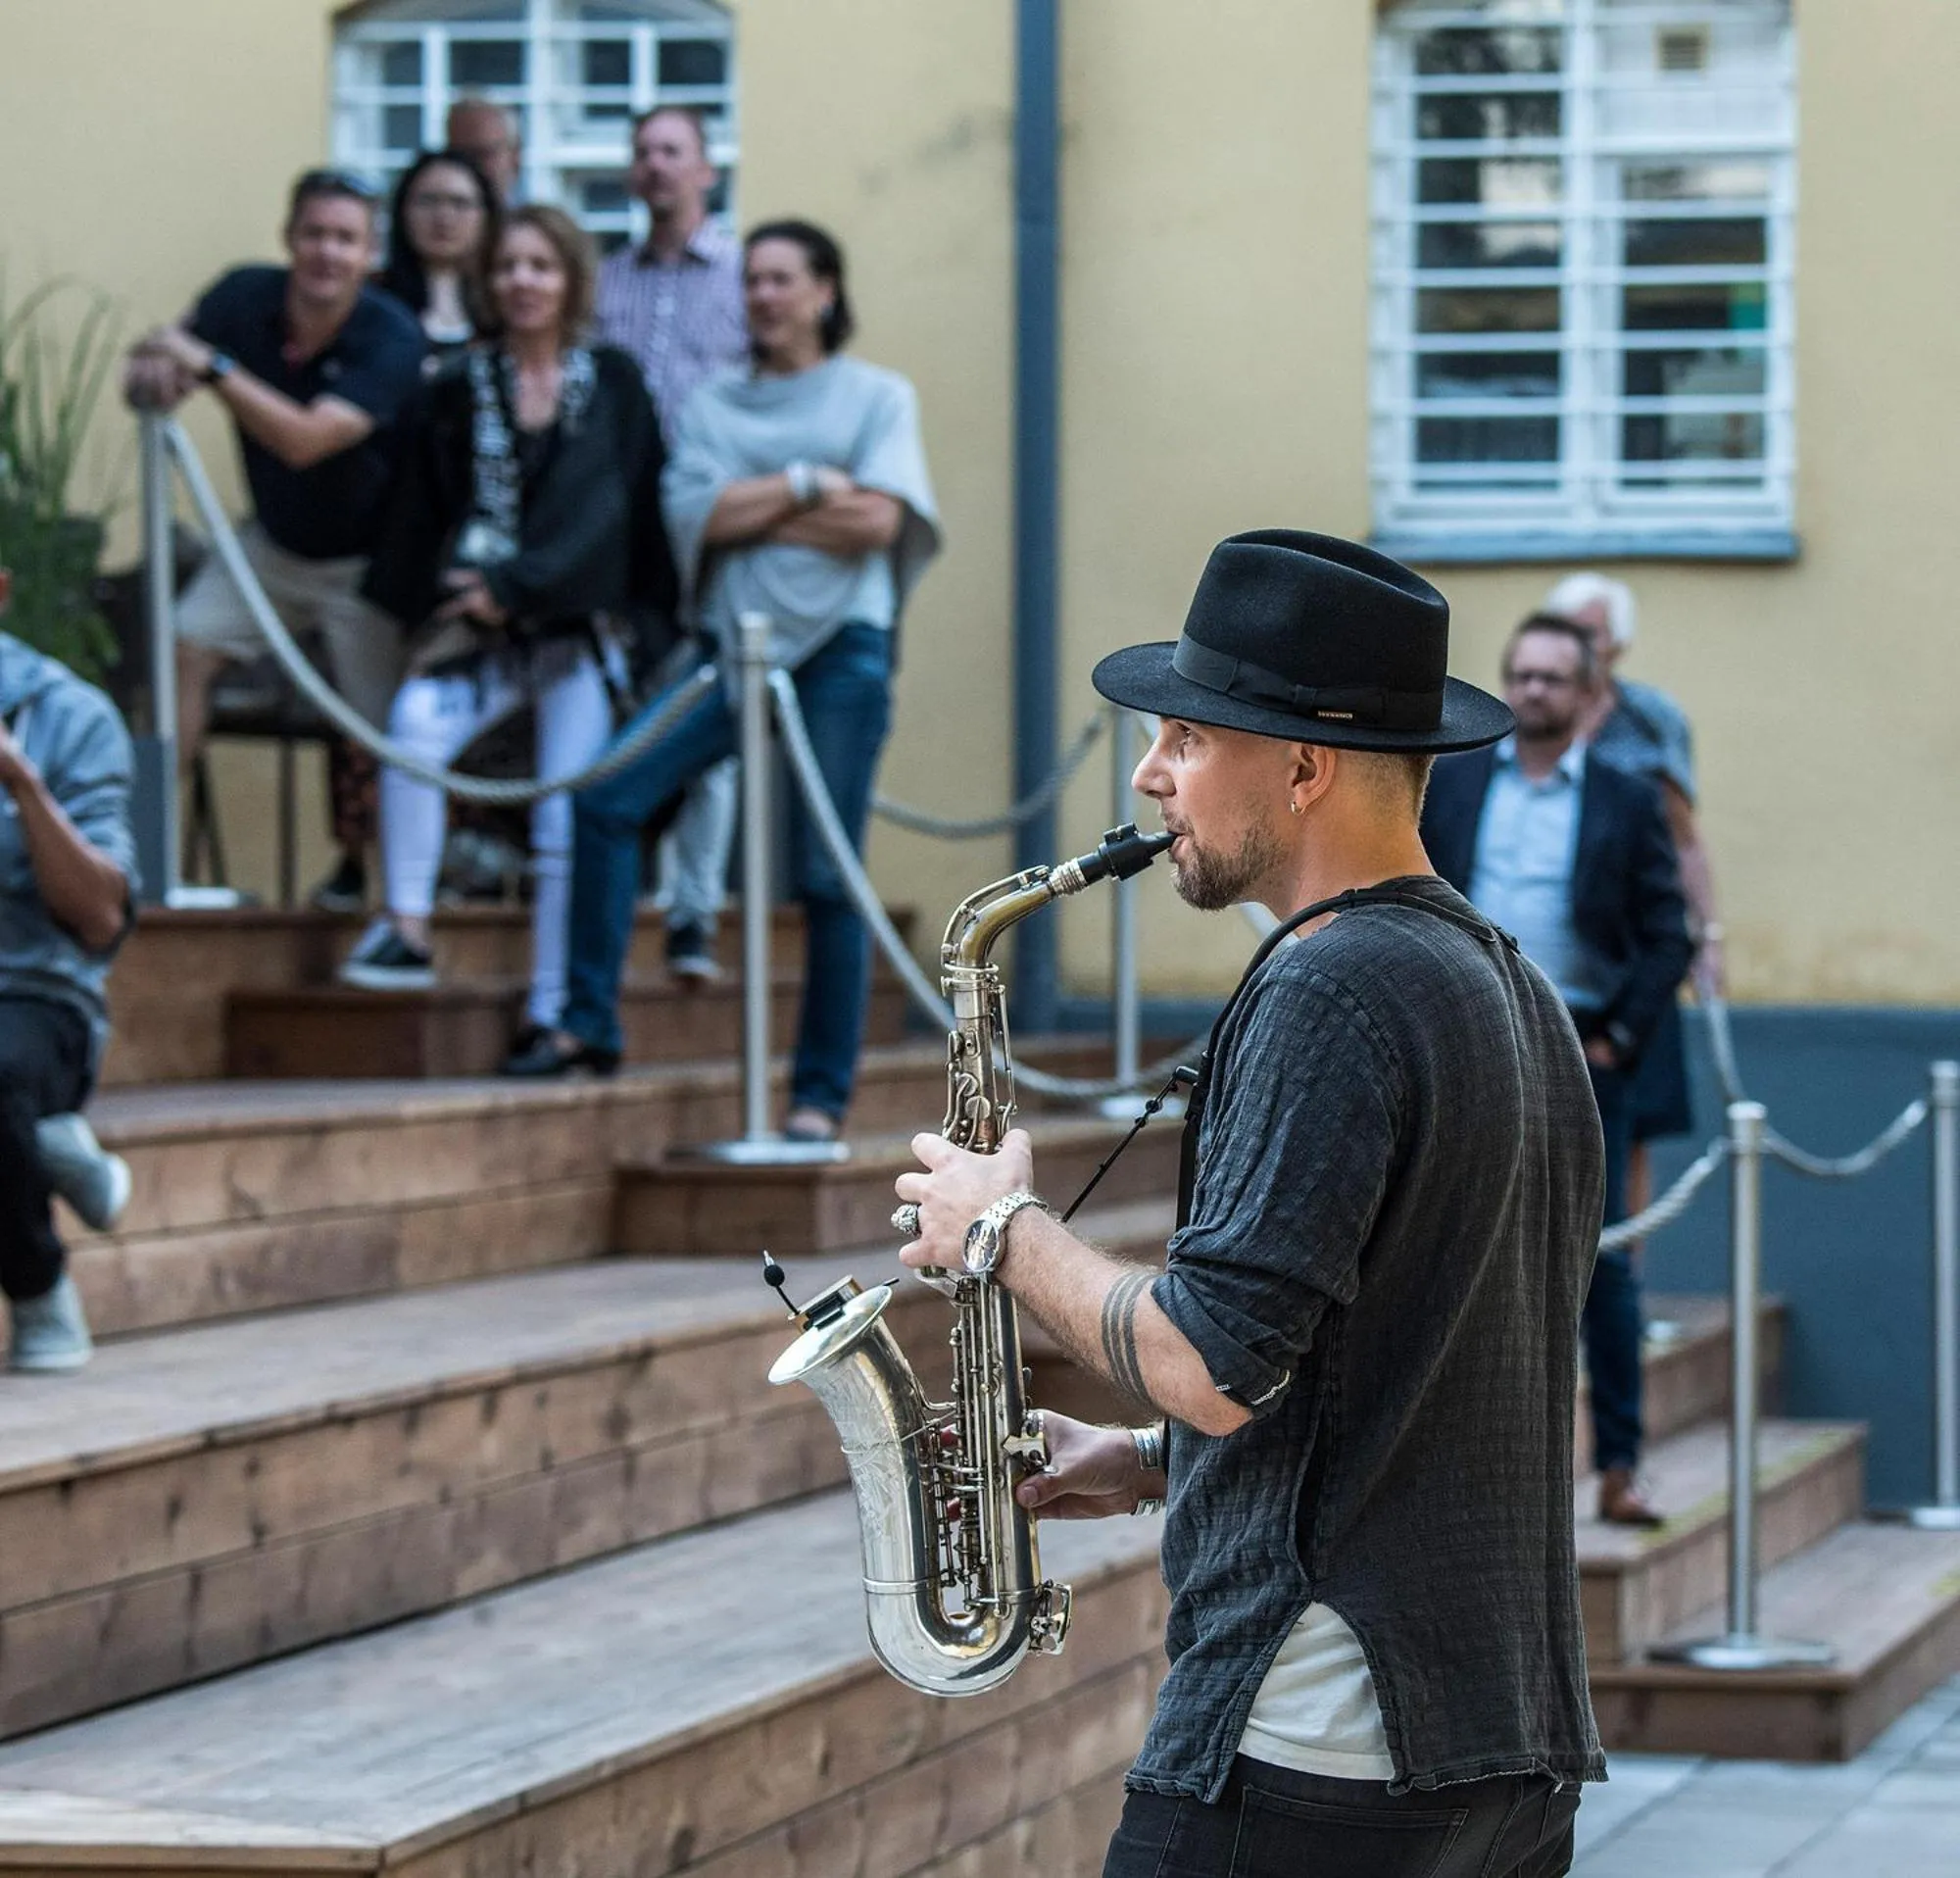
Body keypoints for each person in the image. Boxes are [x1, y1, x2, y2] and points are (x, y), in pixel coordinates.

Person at [894, 531, 1603, 1876]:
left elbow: (1210, 1363)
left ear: (1303, 766)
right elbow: (1417, 1376)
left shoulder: (1330, 988)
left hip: (1319, 1758)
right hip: (1501, 1751)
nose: (1151, 775)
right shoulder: (1511, 984)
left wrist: (998, 1231)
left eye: (1185, 736)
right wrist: (1152, 1467)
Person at [509, 220, 939, 1132]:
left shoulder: (877, 395)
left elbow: (878, 525)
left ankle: (819, 1098)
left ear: (826, 290)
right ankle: (587, 1027)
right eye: (752, 281)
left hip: (840, 651)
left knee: (826, 875)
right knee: (606, 799)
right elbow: (695, 516)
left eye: (782, 279)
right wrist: (812, 484)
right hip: (726, 649)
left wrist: (755, 510)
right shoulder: (710, 403)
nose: (762, 297)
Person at [341, 207, 676, 1065]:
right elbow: (418, 513)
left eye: (541, 266)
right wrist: (453, 594)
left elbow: (612, 512)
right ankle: (405, 925)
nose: (523, 282)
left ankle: (553, 1006)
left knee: (568, 810)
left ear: (569, 279)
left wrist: (519, 588)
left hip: (578, 626)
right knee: (415, 729)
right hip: (474, 632)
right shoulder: (457, 385)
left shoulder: (611, 382)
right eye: (509, 267)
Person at [1423, 614, 1693, 1527]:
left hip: (1585, 1047)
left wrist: (1620, 1033)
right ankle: (1462, 1469)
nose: (1534, 690)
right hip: (1470, 1035)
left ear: (1585, 695)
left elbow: (1670, 931)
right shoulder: (1453, 785)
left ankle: (1618, 1467)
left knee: (1602, 1262)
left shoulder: (1626, 794)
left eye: (1552, 678)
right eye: (1521, 675)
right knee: (1454, 1244)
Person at [122, 168, 427, 908]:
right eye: (316, 234)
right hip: (271, 548)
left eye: (346, 240)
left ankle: (400, 904)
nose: (328, 253)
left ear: (369, 254)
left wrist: (213, 368)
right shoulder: (244, 296)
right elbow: (162, 348)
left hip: (366, 566)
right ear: (290, 237)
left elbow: (307, 440)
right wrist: (155, 372)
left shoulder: (390, 335)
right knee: (181, 651)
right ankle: (135, 861)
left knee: (388, 731)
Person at [594, 104, 748, 983]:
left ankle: (692, 912)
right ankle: (622, 907)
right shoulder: (605, 281)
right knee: (626, 707)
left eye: (671, 152)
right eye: (642, 151)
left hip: (713, 523)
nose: (655, 165)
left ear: (705, 172)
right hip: (621, 531)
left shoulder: (738, 277)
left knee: (705, 712)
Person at [1544, 570, 1719, 1221]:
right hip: (1556, 947)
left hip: (1635, 948)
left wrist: (1710, 936)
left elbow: (1686, 840)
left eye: (1590, 630)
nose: (1578, 644)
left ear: (1617, 642)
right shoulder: (1531, 710)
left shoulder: (1650, 719)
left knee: (1634, 1124)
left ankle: (1627, 1280)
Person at [0, 559, 138, 1372]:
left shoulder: (68, 714)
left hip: (35, 995)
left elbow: (97, 918)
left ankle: (39, 1285)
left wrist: (21, 780)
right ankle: (49, 1149)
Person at [376, 148, 499, 360]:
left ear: (486, 215)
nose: (444, 218)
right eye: (428, 201)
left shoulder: (503, 302)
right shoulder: (375, 301)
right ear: (402, 210)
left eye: (460, 203)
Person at [445, 97, 522, 204]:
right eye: (458, 154)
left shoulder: (538, 219)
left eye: (482, 154)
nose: (469, 164)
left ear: (515, 157)